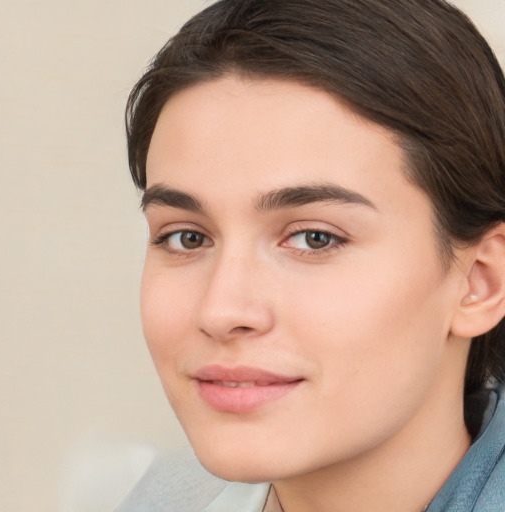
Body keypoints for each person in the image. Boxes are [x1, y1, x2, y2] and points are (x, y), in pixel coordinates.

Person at [118, 0, 505, 510]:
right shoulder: (162, 496)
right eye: (187, 237)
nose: (220, 311)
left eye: (314, 238)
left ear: (480, 282)